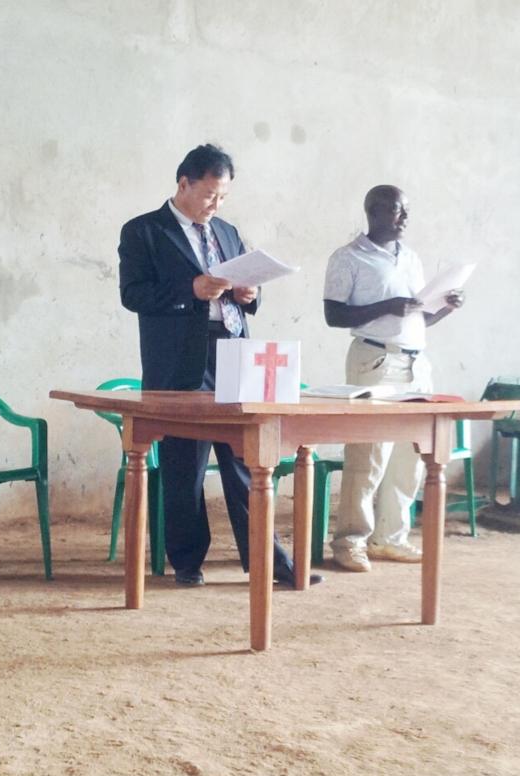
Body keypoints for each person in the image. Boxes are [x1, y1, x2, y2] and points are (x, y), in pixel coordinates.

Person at [119, 143, 322, 588]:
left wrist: (250, 295)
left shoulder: (227, 232)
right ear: (184, 183)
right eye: (210, 194)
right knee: (184, 466)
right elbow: (133, 295)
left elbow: (242, 289)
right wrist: (190, 289)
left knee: (247, 461)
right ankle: (187, 562)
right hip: (179, 359)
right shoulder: (144, 231)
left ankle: (269, 561)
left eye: (224, 196)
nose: (217, 205)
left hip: (234, 352)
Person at [323, 184, 464, 572]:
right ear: (374, 212)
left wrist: (447, 307)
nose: (405, 217)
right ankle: (350, 541)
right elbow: (334, 315)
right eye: (398, 210)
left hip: (415, 363)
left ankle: (390, 538)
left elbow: (417, 317)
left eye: (406, 210)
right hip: (375, 360)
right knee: (368, 454)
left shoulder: (410, 258)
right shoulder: (348, 257)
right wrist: (386, 305)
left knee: (409, 456)